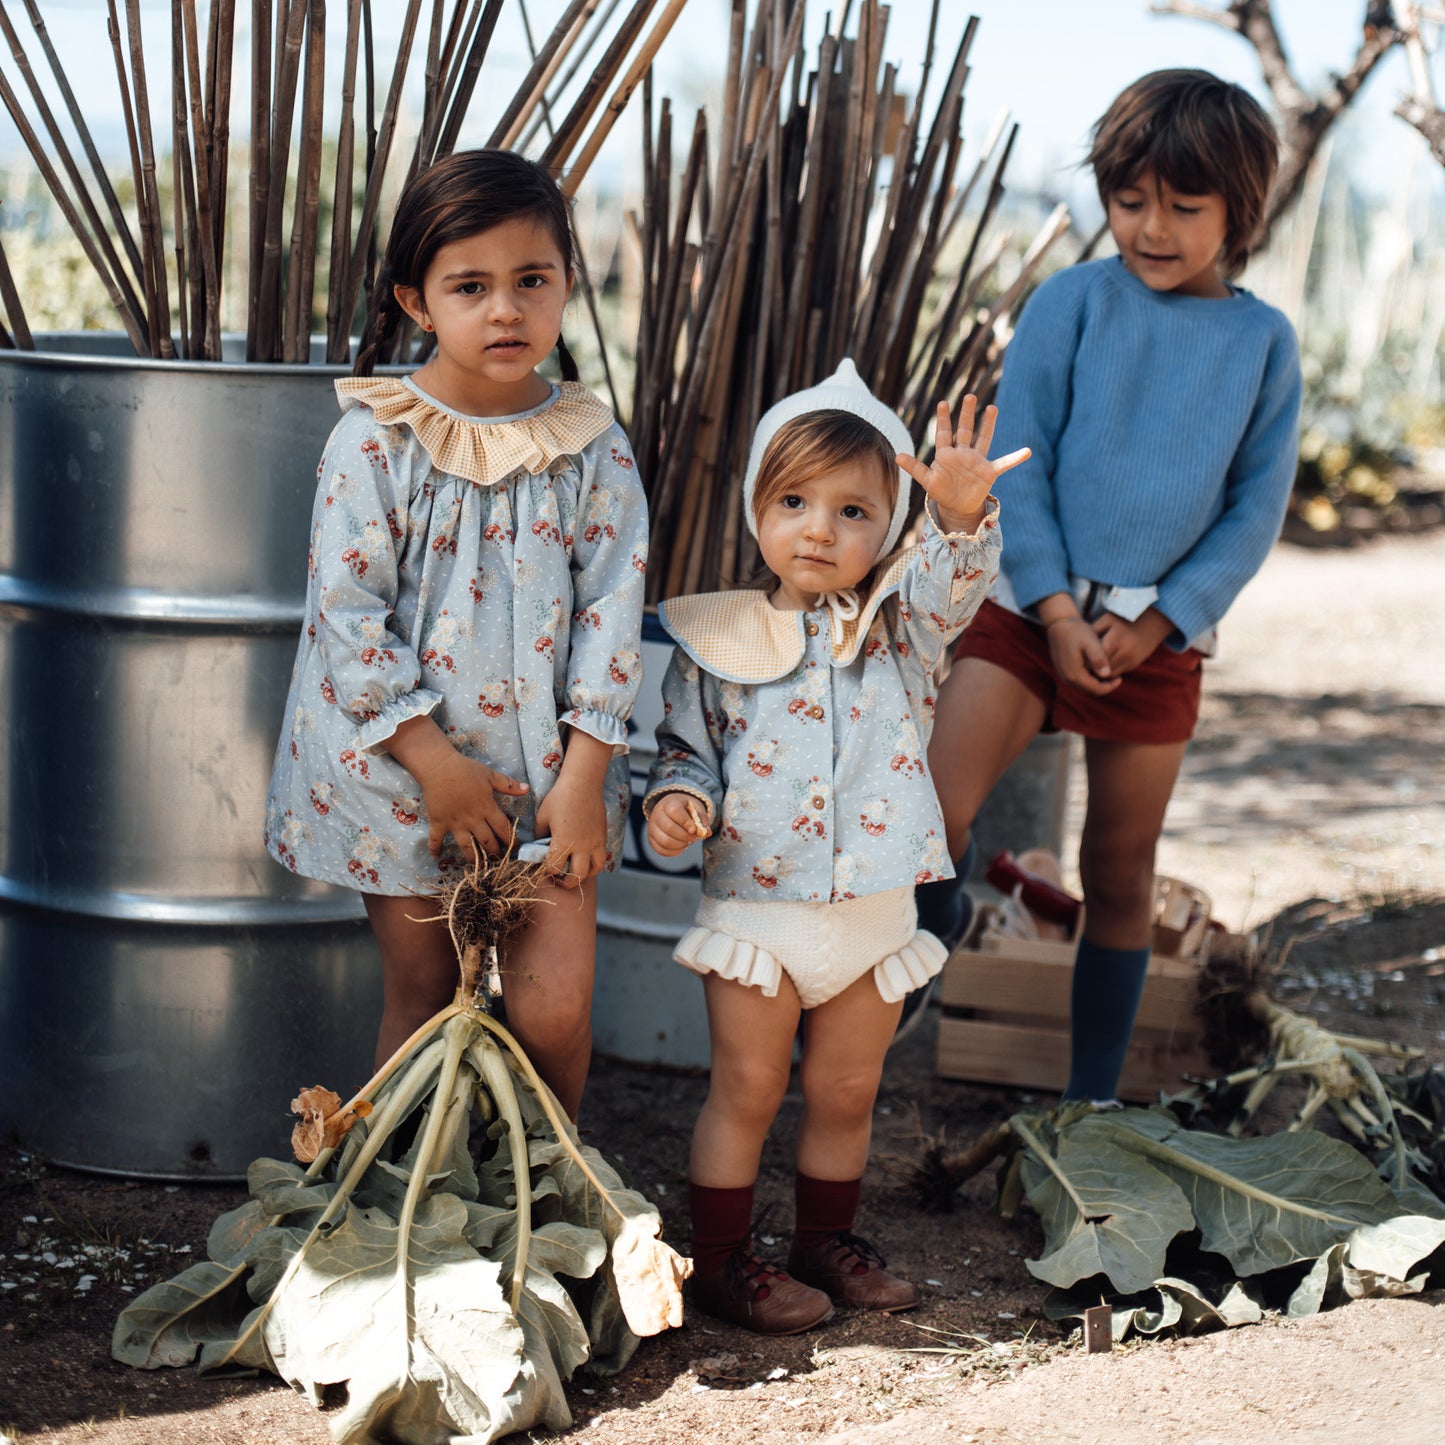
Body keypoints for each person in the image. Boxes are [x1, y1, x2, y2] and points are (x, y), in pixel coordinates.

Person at [925, 69, 1302, 1105]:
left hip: (1158, 640)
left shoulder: (1261, 343)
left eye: (1183, 207)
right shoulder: (1071, 301)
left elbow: (1249, 511)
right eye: (1128, 200)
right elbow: (1019, 461)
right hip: (1021, 608)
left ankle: (1089, 1096)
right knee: (928, 808)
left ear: (1239, 209)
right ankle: (900, 985)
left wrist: (1163, 619)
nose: (1149, 226)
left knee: (1121, 869)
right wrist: (1050, 606)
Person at [644, 360, 1028, 1333]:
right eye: (794, 500)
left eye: (854, 510)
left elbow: (953, 591)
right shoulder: (716, 644)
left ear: (887, 525)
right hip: (757, 916)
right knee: (746, 1083)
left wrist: (954, 518)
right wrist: (677, 804)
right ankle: (726, 1259)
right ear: (755, 508)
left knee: (848, 1086)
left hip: (872, 918)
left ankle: (824, 1237)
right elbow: (684, 751)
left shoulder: (899, 634)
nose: (819, 526)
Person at [264, 149, 647, 1119]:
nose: (506, 310)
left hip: (548, 780)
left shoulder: (590, 445)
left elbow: (613, 608)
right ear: (417, 301)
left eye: (532, 280)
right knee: (425, 995)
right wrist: (433, 761)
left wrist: (587, 774)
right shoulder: (375, 441)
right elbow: (345, 614)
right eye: (469, 287)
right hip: (404, 777)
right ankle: (410, 1208)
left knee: (554, 1010)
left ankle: (544, 1192)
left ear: (569, 279)